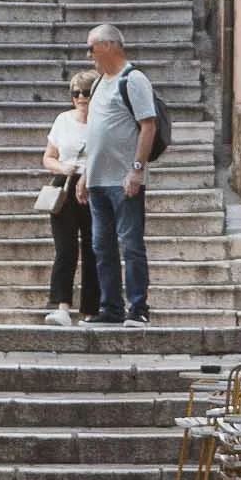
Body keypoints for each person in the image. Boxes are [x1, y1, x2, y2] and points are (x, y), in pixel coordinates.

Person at [77, 21, 156, 325]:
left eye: (91, 47)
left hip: (123, 180)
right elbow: (95, 134)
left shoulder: (132, 79)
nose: (89, 55)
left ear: (109, 45)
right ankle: (110, 308)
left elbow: (148, 125)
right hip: (97, 181)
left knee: (131, 244)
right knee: (102, 247)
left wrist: (136, 169)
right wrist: (85, 175)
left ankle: (138, 308)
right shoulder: (98, 82)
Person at [42, 70, 99, 327]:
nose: (80, 97)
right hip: (65, 186)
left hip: (94, 187)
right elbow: (48, 156)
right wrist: (63, 168)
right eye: (75, 92)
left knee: (93, 248)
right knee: (65, 248)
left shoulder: (102, 121)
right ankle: (62, 306)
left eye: (85, 92)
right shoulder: (63, 120)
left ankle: (91, 309)